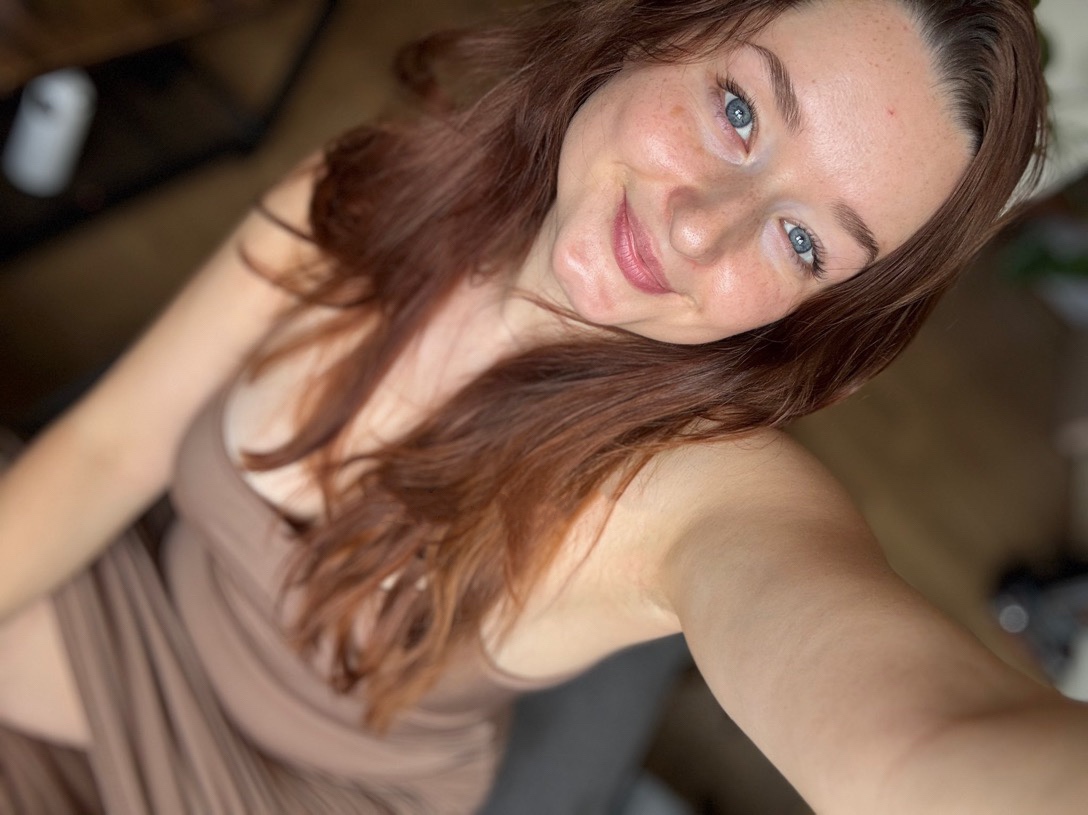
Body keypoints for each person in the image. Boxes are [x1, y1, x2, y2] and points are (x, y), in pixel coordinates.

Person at [0, 0, 1076, 812]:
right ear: (661, 27)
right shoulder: (381, 197)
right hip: (99, 622)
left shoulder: (671, 490)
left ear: (818, 310)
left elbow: (920, 743)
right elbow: (108, 445)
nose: (700, 228)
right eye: (739, 111)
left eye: (801, 241)